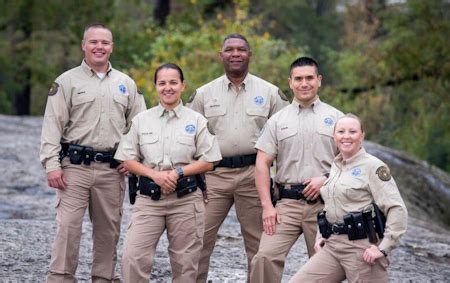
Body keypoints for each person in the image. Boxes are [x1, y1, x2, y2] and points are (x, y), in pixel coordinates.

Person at [39, 23, 146, 282]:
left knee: (108, 230)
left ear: (112, 47)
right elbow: (52, 125)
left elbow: (142, 126)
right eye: (94, 42)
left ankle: (103, 278)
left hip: (112, 170)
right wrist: (52, 165)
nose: (99, 47)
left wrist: (133, 158)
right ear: (84, 46)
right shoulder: (66, 81)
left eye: (105, 43)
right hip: (74, 168)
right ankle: (61, 277)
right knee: (68, 228)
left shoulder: (126, 83)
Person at [187, 33, 289, 281]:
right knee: (198, 240)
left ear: (249, 54)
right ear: (221, 55)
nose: (235, 54)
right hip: (214, 176)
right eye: (229, 49)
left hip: (253, 175)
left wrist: (280, 181)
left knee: (259, 246)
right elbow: (188, 137)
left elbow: (286, 138)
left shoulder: (270, 93)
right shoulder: (203, 94)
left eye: (241, 49)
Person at [115, 63, 222, 283]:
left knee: (186, 266)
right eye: (162, 83)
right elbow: (126, 158)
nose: (168, 88)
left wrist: (178, 172)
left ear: (183, 85)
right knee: (133, 258)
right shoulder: (141, 120)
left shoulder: (197, 121)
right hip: (148, 200)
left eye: (173, 82)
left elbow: (210, 159)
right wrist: (155, 175)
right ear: (155, 86)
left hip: (186, 200)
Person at [249, 56, 343, 282]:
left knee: (324, 263)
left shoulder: (336, 118)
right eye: (298, 79)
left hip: (325, 204)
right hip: (286, 205)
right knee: (264, 256)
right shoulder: (277, 121)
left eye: (309, 78)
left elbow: (351, 163)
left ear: (319, 80)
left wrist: (326, 179)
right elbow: (262, 163)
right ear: (290, 82)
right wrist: (267, 207)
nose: (304, 83)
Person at [289, 113, 408, 282]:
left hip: (363, 247)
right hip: (333, 245)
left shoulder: (373, 166)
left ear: (362, 136)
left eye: (352, 132)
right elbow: (330, 204)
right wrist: (321, 235)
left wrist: (383, 248)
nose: (346, 136)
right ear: (334, 136)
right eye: (341, 131)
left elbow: (396, 208)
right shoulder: (336, 166)